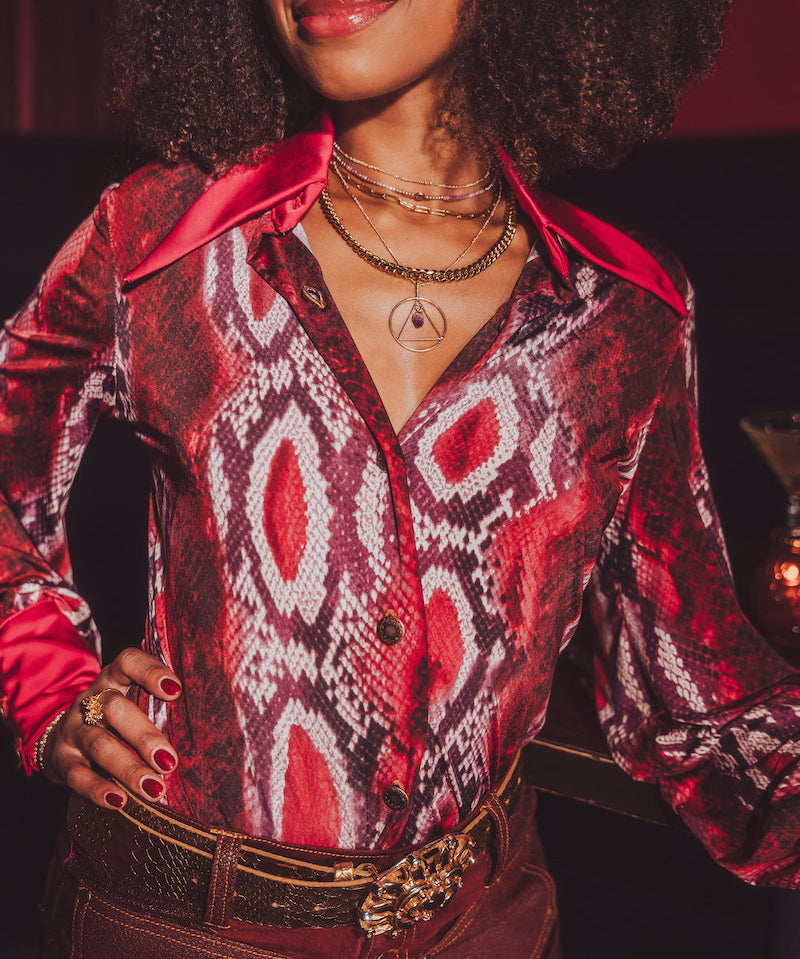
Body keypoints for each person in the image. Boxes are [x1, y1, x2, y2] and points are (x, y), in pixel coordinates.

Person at [2, 0, 798, 956]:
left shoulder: (624, 312)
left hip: (489, 924)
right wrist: (44, 677)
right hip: (180, 927)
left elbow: (694, 678)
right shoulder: (164, 240)